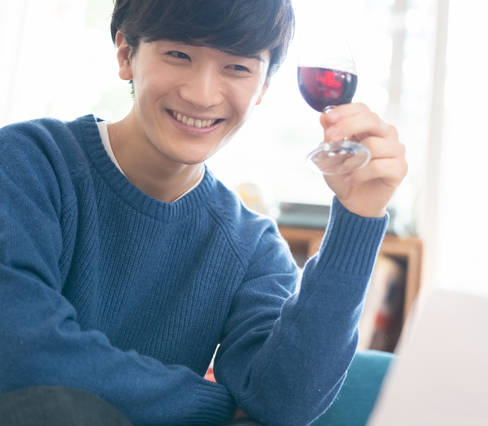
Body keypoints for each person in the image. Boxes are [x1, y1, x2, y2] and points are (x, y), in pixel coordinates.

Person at [0, 0, 407, 424]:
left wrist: (357, 216)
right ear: (126, 54)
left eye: (237, 68)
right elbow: (19, 352)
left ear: (264, 87)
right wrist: (214, 407)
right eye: (179, 55)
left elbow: (283, 403)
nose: (201, 94)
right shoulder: (27, 163)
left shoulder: (252, 246)